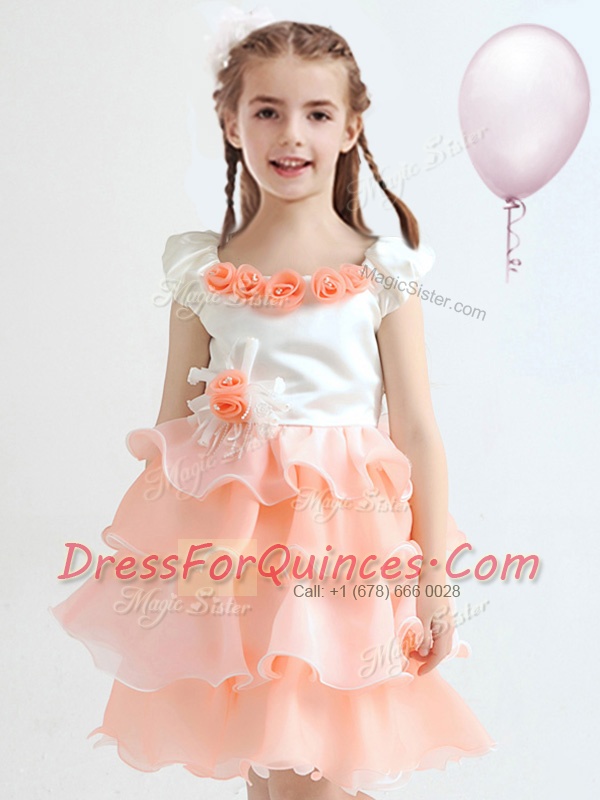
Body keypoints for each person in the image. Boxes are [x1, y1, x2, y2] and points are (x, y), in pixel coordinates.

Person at [49, 18, 497, 800]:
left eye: (317, 113)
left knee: (310, 778)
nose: (292, 133)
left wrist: (432, 581)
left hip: (344, 559)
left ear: (350, 127)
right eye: (267, 111)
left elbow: (418, 433)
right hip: (240, 568)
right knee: (274, 778)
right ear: (232, 122)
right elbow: (175, 434)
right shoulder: (203, 272)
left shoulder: (379, 272)